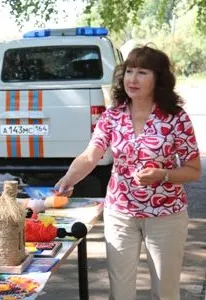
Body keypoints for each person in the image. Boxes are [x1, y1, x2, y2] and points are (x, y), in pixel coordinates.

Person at [54, 46, 201, 300]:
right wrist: (68, 178)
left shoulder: (176, 118)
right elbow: (91, 155)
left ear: (158, 79)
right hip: (120, 213)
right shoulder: (112, 116)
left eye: (142, 72)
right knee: (120, 293)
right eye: (129, 71)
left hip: (166, 215)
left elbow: (193, 170)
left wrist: (163, 175)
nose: (132, 78)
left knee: (165, 293)